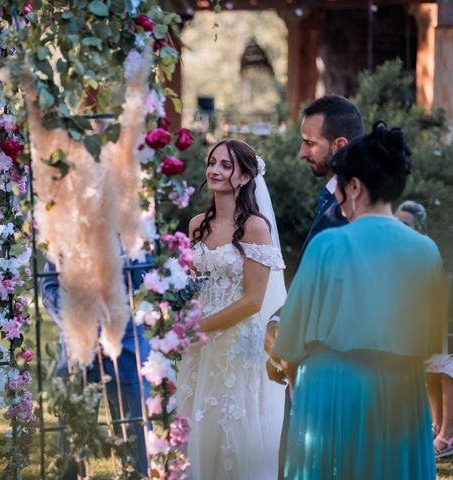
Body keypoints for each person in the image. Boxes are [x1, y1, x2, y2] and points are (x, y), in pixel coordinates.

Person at [274, 123, 447, 479]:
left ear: (353, 186)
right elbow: (430, 344)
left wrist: (296, 384)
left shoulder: (328, 245)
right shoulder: (426, 250)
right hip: (402, 396)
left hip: (334, 389)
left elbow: (289, 342)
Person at [176, 138, 287, 479]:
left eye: (226, 165)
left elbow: (254, 300)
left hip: (235, 343)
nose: (215, 170)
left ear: (243, 177)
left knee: (229, 425)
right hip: (195, 340)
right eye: (212, 162)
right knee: (193, 418)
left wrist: (202, 326)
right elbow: (190, 284)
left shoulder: (255, 227)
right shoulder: (197, 224)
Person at [269, 95, 365, 478]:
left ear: (339, 145)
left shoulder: (353, 208)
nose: (301, 151)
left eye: (310, 143)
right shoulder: (331, 194)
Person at [41, 258, 150, 478]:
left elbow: (148, 283)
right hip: (79, 345)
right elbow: (50, 288)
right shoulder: (66, 231)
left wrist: (108, 328)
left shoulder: (136, 227)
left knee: (136, 441)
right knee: (72, 443)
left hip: (127, 345)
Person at [395, 200, 453, 457]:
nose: (400, 228)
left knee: (445, 371)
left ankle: (447, 434)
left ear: (418, 226)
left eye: (406, 223)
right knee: (431, 372)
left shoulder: (426, 248)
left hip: (441, 316)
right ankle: (435, 427)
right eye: (396, 222)